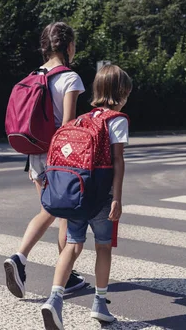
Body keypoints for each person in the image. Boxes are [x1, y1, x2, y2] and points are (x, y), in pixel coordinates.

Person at [41, 64, 132, 330]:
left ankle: (55, 299)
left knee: (72, 246)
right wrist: (117, 197)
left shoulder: (83, 119)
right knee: (103, 246)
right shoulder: (117, 119)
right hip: (101, 197)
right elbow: (118, 161)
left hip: (76, 195)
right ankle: (100, 304)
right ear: (121, 93)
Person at [4, 22, 86, 298]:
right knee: (61, 212)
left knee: (50, 209)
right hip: (58, 155)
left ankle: (67, 276)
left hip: (34, 155)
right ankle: (20, 257)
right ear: (70, 47)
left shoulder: (34, 75)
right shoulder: (70, 79)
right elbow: (67, 126)